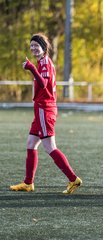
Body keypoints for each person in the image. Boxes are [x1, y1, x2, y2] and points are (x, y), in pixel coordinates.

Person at [10, 33, 82, 194]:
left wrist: (31, 68)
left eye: (36, 45)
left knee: (50, 147)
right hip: (41, 108)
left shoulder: (43, 63)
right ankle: (28, 183)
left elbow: (43, 85)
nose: (33, 48)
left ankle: (73, 179)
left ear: (44, 47)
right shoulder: (43, 62)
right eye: (31, 45)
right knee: (31, 144)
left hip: (45, 109)